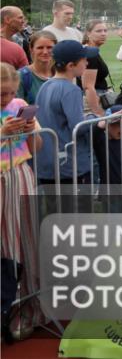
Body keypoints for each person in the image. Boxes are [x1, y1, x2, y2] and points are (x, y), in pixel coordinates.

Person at [0, 62, 45, 339]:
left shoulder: (18, 103)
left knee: (26, 242)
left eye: (8, 93)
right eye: (0, 94)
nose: (5, 99)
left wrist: (29, 129)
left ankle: (27, 309)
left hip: (20, 175)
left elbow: (37, 146)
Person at [35, 40, 99, 189]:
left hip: (47, 162)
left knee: (53, 210)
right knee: (75, 210)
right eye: (84, 60)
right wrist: (96, 118)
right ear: (71, 65)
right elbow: (78, 127)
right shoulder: (71, 90)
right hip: (69, 164)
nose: (87, 63)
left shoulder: (45, 85)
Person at [79, 20, 113, 113]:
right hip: (94, 101)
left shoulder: (89, 51)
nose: (103, 34)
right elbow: (88, 87)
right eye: (98, 31)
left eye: (105, 31)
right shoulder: (90, 54)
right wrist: (98, 112)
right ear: (88, 33)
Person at [17, 31, 57, 104]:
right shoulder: (21, 76)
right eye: (40, 48)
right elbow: (11, 111)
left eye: (49, 47)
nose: (45, 52)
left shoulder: (62, 74)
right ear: (31, 49)